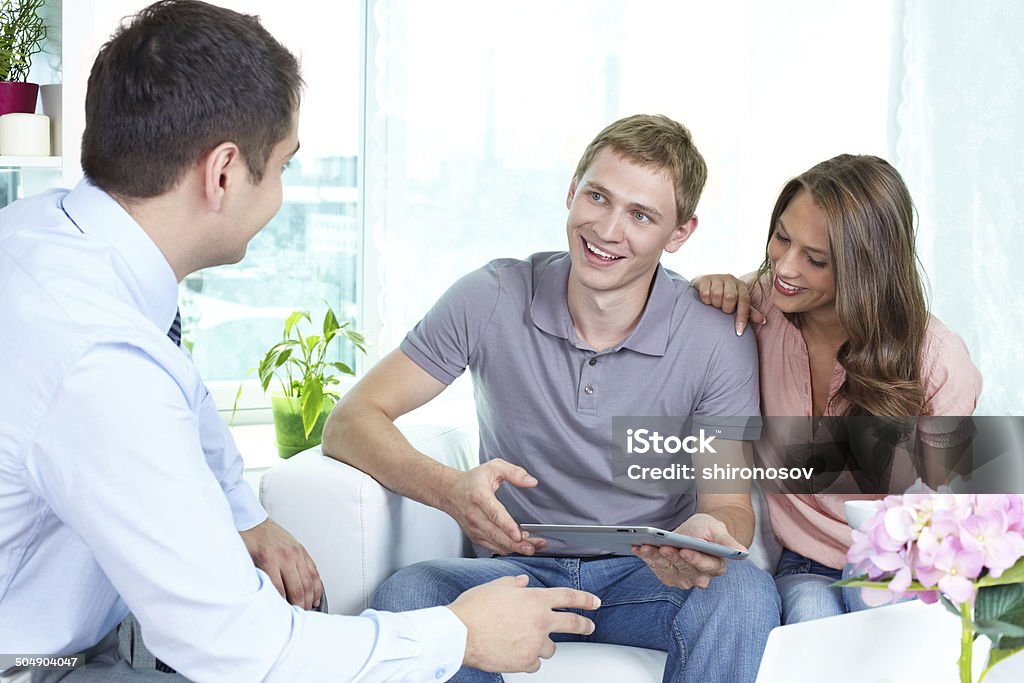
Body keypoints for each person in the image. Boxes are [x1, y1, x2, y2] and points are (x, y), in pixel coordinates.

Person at [0, 2, 600, 681]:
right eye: (283, 165)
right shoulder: (100, 362)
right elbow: (245, 649)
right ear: (223, 173)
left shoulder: (48, 233)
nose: (283, 190)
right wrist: (459, 636)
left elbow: (180, 392)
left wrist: (244, 512)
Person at [322, 114, 781, 683]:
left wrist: (709, 540)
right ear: (571, 191)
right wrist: (450, 491)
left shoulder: (716, 337)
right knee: (410, 594)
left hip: (650, 579)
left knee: (744, 593)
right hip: (516, 575)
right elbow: (350, 421)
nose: (608, 230)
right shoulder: (490, 296)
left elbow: (729, 505)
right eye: (597, 196)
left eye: (640, 215)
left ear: (680, 233)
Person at [692, 154, 982, 624]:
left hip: (898, 565)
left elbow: (948, 514)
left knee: (873, 609)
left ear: (867, 268)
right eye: (782, 237)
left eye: (816, 259)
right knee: (810, 620)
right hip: (804, 562)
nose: (785, 266)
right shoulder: (761, 311)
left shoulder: (939, 363)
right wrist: (712, 290)